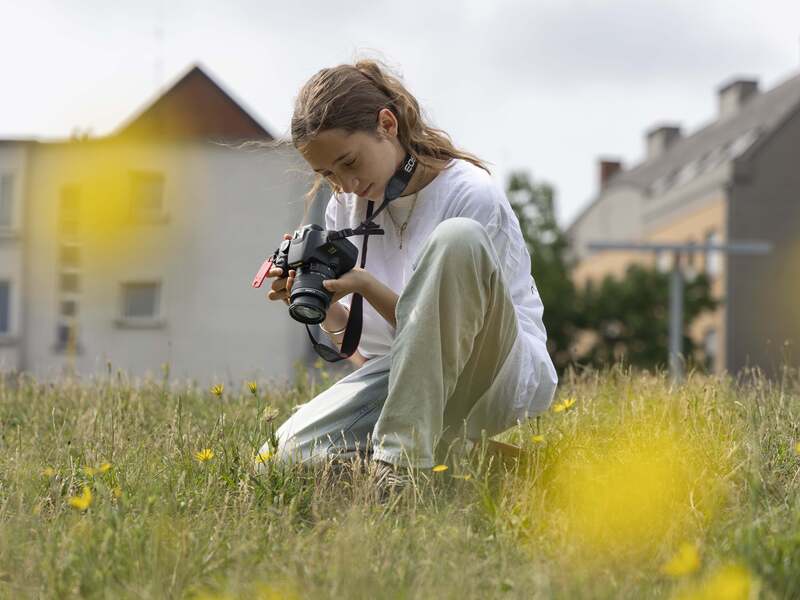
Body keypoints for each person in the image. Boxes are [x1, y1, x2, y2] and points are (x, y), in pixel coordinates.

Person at [259, 59, 558, 495]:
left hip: (493, 372)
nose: (346, 184)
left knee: (458, 239)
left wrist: (364, 283)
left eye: (349, 162)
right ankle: (481, 467)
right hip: (411, 388)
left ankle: (400, 472)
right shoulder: (343, 207)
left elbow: (443, 339)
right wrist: (324, 303)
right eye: (328, 175)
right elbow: (375, 358)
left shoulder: (469, 193)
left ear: (386, 123)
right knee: (278, 459)